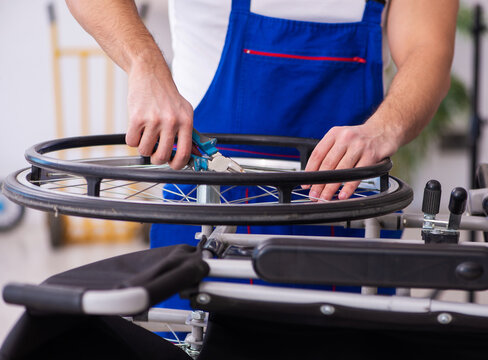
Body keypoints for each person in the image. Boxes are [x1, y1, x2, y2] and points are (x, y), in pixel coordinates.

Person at [65, 0, 458, 308]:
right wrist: (145, 66)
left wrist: (383, 128)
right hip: (205, 208)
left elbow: (429, 48)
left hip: (348, 213)